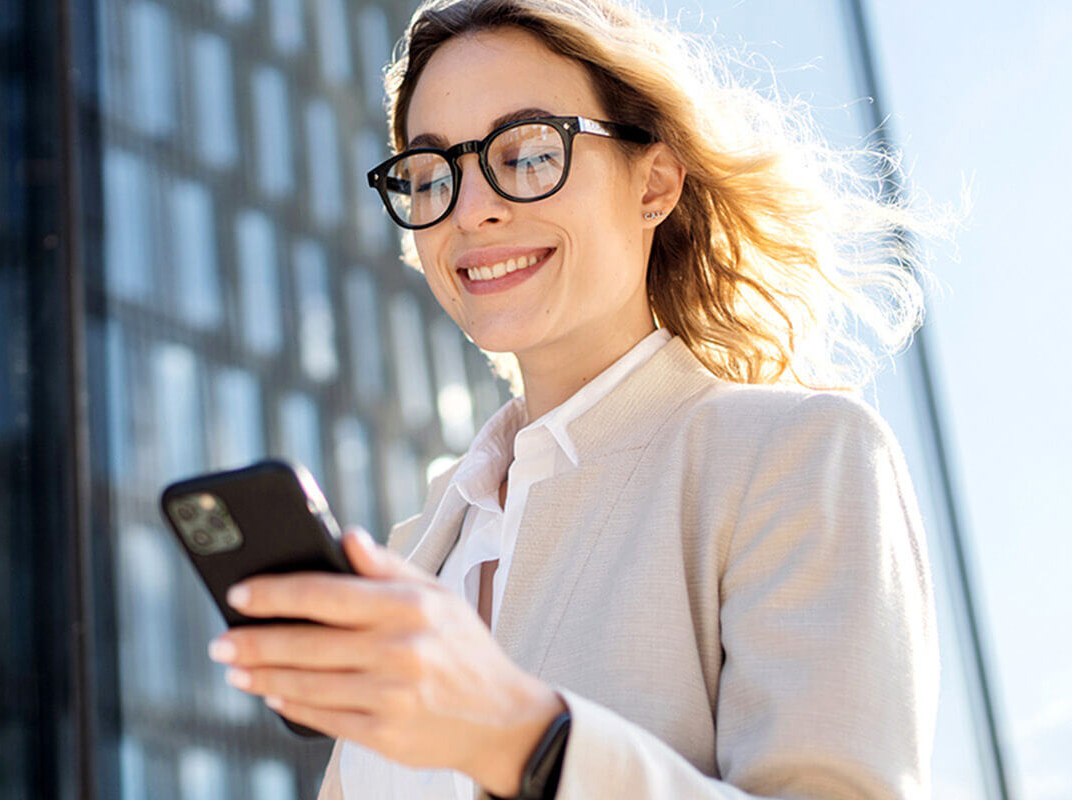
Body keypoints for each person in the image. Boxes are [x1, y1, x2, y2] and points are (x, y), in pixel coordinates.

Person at [205, 0, 950, 797]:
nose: (471, 208)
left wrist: (523, 738)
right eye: (432, 175)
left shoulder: (799, 458)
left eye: (527, 155)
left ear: (653, 184)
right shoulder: (419, 546)